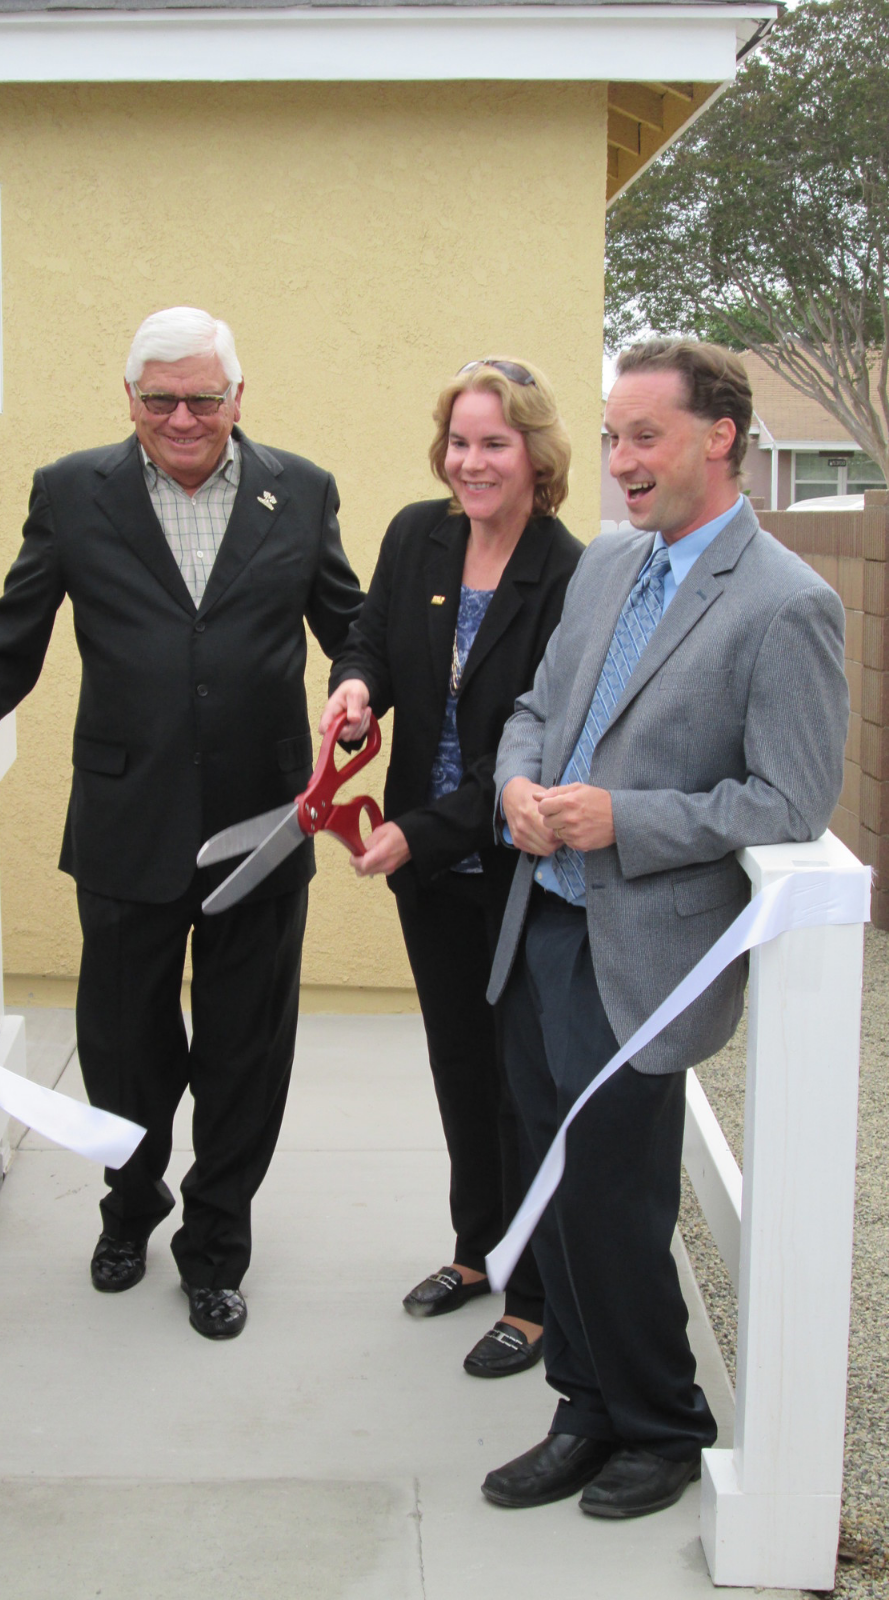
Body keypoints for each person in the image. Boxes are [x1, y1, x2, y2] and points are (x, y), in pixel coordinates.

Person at [0, 307, 363, 1341]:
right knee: (124, 1050)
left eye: (203, 398)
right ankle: (131, 1210)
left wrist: (361, 684)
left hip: (265, 821)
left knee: (245, 1053)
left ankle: (216, 1248)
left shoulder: (304, 490)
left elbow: (349, 623)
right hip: (126, 817)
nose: (183, 418)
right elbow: (13, 631)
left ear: (238, 396)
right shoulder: (71, 490)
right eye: (160, 399)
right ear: (129, 398)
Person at [480, 339, 848, 1518]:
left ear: (719, 438)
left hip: (644, 950)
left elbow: (790, 800)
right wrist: (518, 785)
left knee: (613, 1198)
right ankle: (585, 1408)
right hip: (541, 921)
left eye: (645, 436)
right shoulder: (607, 563)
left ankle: (663, 1425)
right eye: (613, 436)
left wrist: (623, 818)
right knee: (553, 1184)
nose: (620, 459)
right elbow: (536, 706)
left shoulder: (788, 603)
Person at [321, 358, 581, 1377]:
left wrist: (422, 831)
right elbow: (371, 640)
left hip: (514, 869)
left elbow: (536, 747)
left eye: (494, 443)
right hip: (429, 874)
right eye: (459, 441)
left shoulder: (568, 573)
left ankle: (536, 1295)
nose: (470, 462)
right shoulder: (415, 535)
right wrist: (354, 690)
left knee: (524, 1083)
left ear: (536, 455)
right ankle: (477, 1251)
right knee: (459, 1066)